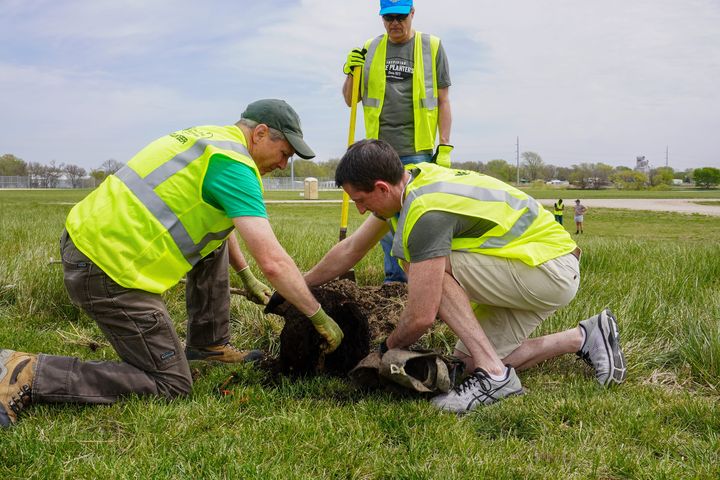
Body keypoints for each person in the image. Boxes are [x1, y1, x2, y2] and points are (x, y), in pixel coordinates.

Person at [0, 99, 344, 428]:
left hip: (93, 245)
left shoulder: (211, 140)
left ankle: (208, 345)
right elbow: (273, 261)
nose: (284, 165)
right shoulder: (235, 166)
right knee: (171, 384)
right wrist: (318, 316)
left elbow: (222, 225)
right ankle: (29, 371)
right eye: (284, 153)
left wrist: (245, 275)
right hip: (107, 271)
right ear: (260, 133)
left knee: (213, 241)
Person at [301, 140, 627, 413]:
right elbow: (351, 249)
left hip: (548, 269)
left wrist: (384, 349)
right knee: (465, 363)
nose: (359, 209)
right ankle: (584, 337)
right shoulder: (410, 184)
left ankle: (494, 375)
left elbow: (421, 316)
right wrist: (301, 285)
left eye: (360, 200)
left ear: (382, 187)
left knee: (423, 266)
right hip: (535, 267)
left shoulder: (425, 213)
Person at [342, 0, 452, 283]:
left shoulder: (432, 47)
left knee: (421, 218)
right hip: (380, 151)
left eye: (400, 17)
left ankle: (425, 279)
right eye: (388, 17)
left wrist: (445, 147)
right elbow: (350, 100)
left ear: (412, 14)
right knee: (386, 218)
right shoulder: (370, 49)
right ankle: (395, 280)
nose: (395, 23)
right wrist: (349, 74)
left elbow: (443, 100)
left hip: (418, 149)